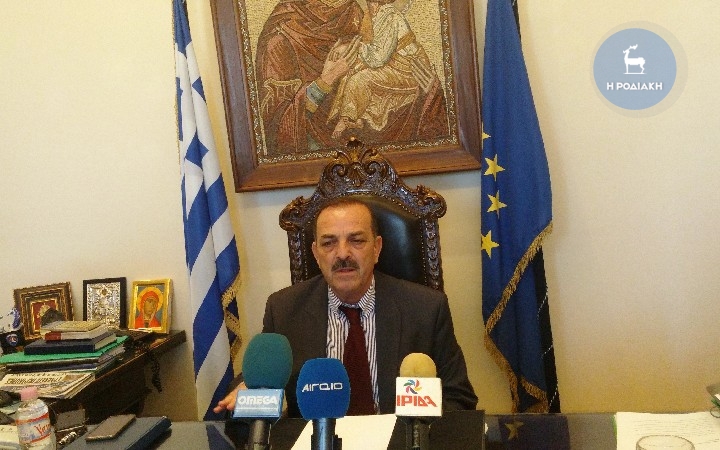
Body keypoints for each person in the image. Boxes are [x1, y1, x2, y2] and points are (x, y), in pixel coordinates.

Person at [214, 197, 477, 417]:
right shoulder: (284, 310)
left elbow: (458, 398)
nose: (342, 254)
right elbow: (261, 377)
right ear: (316, 254)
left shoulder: (426, 309)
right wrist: (249, 390)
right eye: (329, 243)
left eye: (356, 240)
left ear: (377, 248)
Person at [255, 0, 451, 156]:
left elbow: (386, 80)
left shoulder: (356, 14)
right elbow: (278, 126)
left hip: (382, 158)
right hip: (318, 161)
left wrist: (430, 92)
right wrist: (326, 80)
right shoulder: (281, 36)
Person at [329, 0, 440, 140]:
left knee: (359, 79)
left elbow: (378, 58)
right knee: (351, 73)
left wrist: (354, 48)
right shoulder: (374, 15)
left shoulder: (389, 16)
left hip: (409, 69)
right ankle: (355, 117)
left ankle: (347, 118)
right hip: (393, 64)